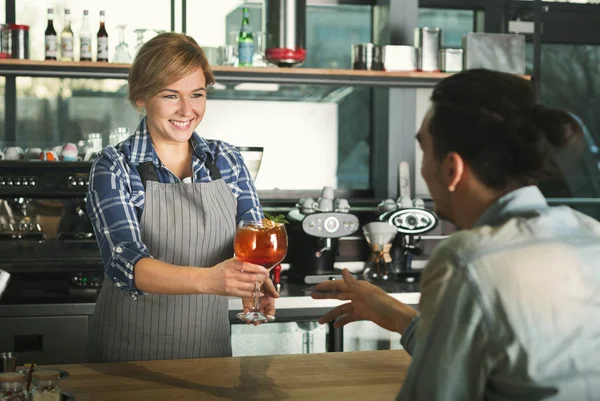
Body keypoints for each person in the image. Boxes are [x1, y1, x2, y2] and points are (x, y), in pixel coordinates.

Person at [313, 69, 600, 400]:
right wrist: (391, 312)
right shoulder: (589, 234)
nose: (421, 167)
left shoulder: (468, 259)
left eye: (423, 150)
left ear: (452, 169)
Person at [86, 32, 278, 362]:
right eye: (171, 95)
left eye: (197, 94)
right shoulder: (115, 166)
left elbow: (254, 235)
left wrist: (257, 278)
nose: (187, 110)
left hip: (210, 351)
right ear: (141, 97)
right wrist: (213, 280)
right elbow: (125, 264)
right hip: (129, 356)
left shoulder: (226, 160)